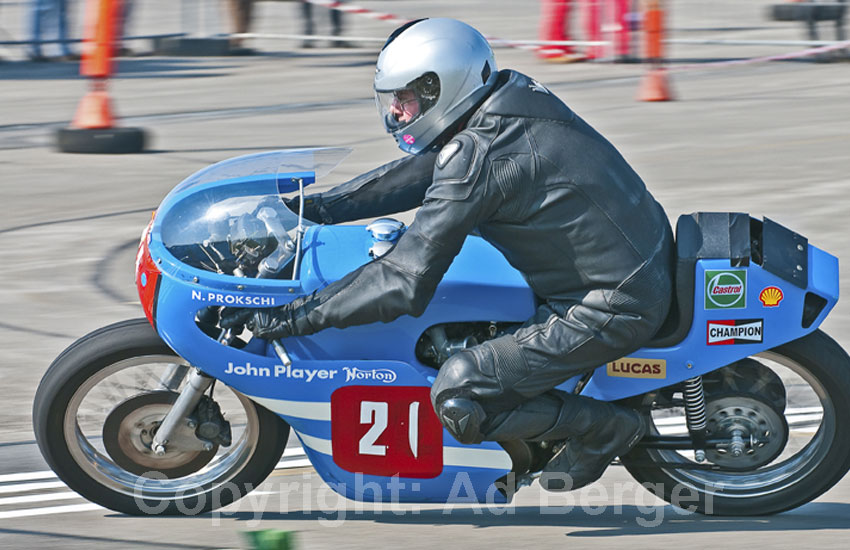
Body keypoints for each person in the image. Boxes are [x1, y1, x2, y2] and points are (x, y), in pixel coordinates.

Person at [222, 18, 674, 491]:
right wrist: (310, 210)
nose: (396, 112)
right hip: (626, 263)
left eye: (406, 98)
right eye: (392, 99)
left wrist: (293, 317)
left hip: (609, 304)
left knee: (459, 389)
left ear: (445, 87)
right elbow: (424, 173)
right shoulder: (506, 101)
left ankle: (603, 428)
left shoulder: (481, 153)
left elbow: (404, 282)